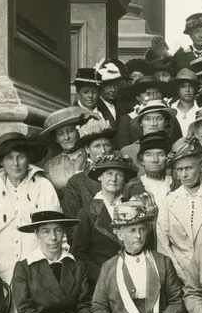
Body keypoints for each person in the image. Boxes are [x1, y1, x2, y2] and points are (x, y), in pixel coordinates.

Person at [0, 133, 60, 285]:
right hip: (1, 279)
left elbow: (57, 230)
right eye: (9, 157)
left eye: (20, 156)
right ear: (1, 161)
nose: (16, 163)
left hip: (38, 277)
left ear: (28, 158)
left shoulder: (43, 186)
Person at [71, 152, 137, 283]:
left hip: (133, 276)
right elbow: (78, 253)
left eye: (119, 175)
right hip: (102, 281)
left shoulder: (133, 207)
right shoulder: (87, 213)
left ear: (124, 180)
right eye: (109, 174)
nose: (113, 179)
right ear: (100, 177)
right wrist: (101, 276)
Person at [159, 138, 202, 283]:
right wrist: (179, 275)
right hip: (177, 274)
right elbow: (163, 243)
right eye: (179, 170)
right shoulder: (168, 200)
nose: (184, 175)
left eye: (189, 168)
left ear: (201, 167)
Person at [125, 132, 172, 250]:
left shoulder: (177, 185)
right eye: (149, 155)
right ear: (141, 160)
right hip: (146, 248)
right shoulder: (132, 187)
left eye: (160, 154)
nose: (155, 160)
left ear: (167, 158)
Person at [60, 119, 115, 219]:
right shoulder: (76, 182)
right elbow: (72, 219)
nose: (103, 151)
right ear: (87, 149)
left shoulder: (121, 175)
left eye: (106, 145)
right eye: (97, 146)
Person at [41, 107, 92, 192]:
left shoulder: (92, 155)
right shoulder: (50, 167)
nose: (66, 137)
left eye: (70, 131)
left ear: (78, 131)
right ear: (56, 139)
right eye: (60, 134)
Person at [121, 98, 181, 169]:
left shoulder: (176, 148)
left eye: (159, 119)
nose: (153, 124)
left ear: (166, 122)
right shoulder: (128, 151)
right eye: (148, 119)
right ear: (140, 123)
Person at [94, 60, 136, 149]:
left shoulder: (120, 105)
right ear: (100, 87)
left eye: (115, 85)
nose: (113, 90)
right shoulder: (96, 107)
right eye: (108, 86)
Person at [167, 68, 201, 138]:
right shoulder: (170, 108)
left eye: (190, 86)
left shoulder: (200, 108)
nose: (187, 90)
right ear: (177, 89)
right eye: (183, 86)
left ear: (195, 89)